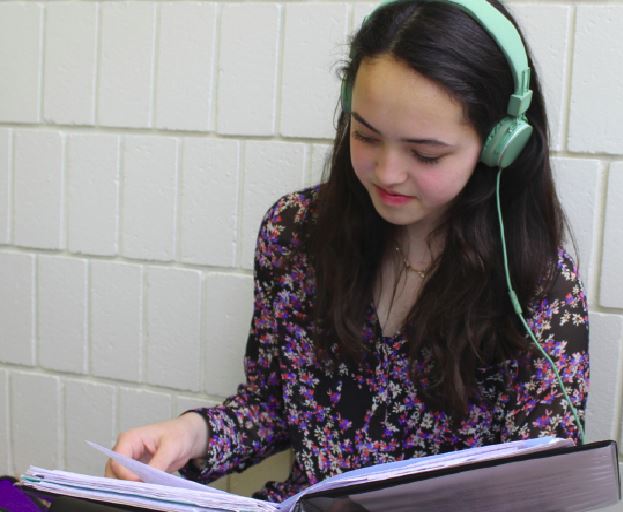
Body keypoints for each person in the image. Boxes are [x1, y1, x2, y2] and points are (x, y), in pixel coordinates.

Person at [105, 0, 589, 503]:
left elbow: (540, 486)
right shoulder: (295, 234)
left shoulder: (536, 283)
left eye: (425, 154)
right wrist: (192, 435)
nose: (387, 173)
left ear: (500, 144)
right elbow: (274, 404)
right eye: (366, 136)